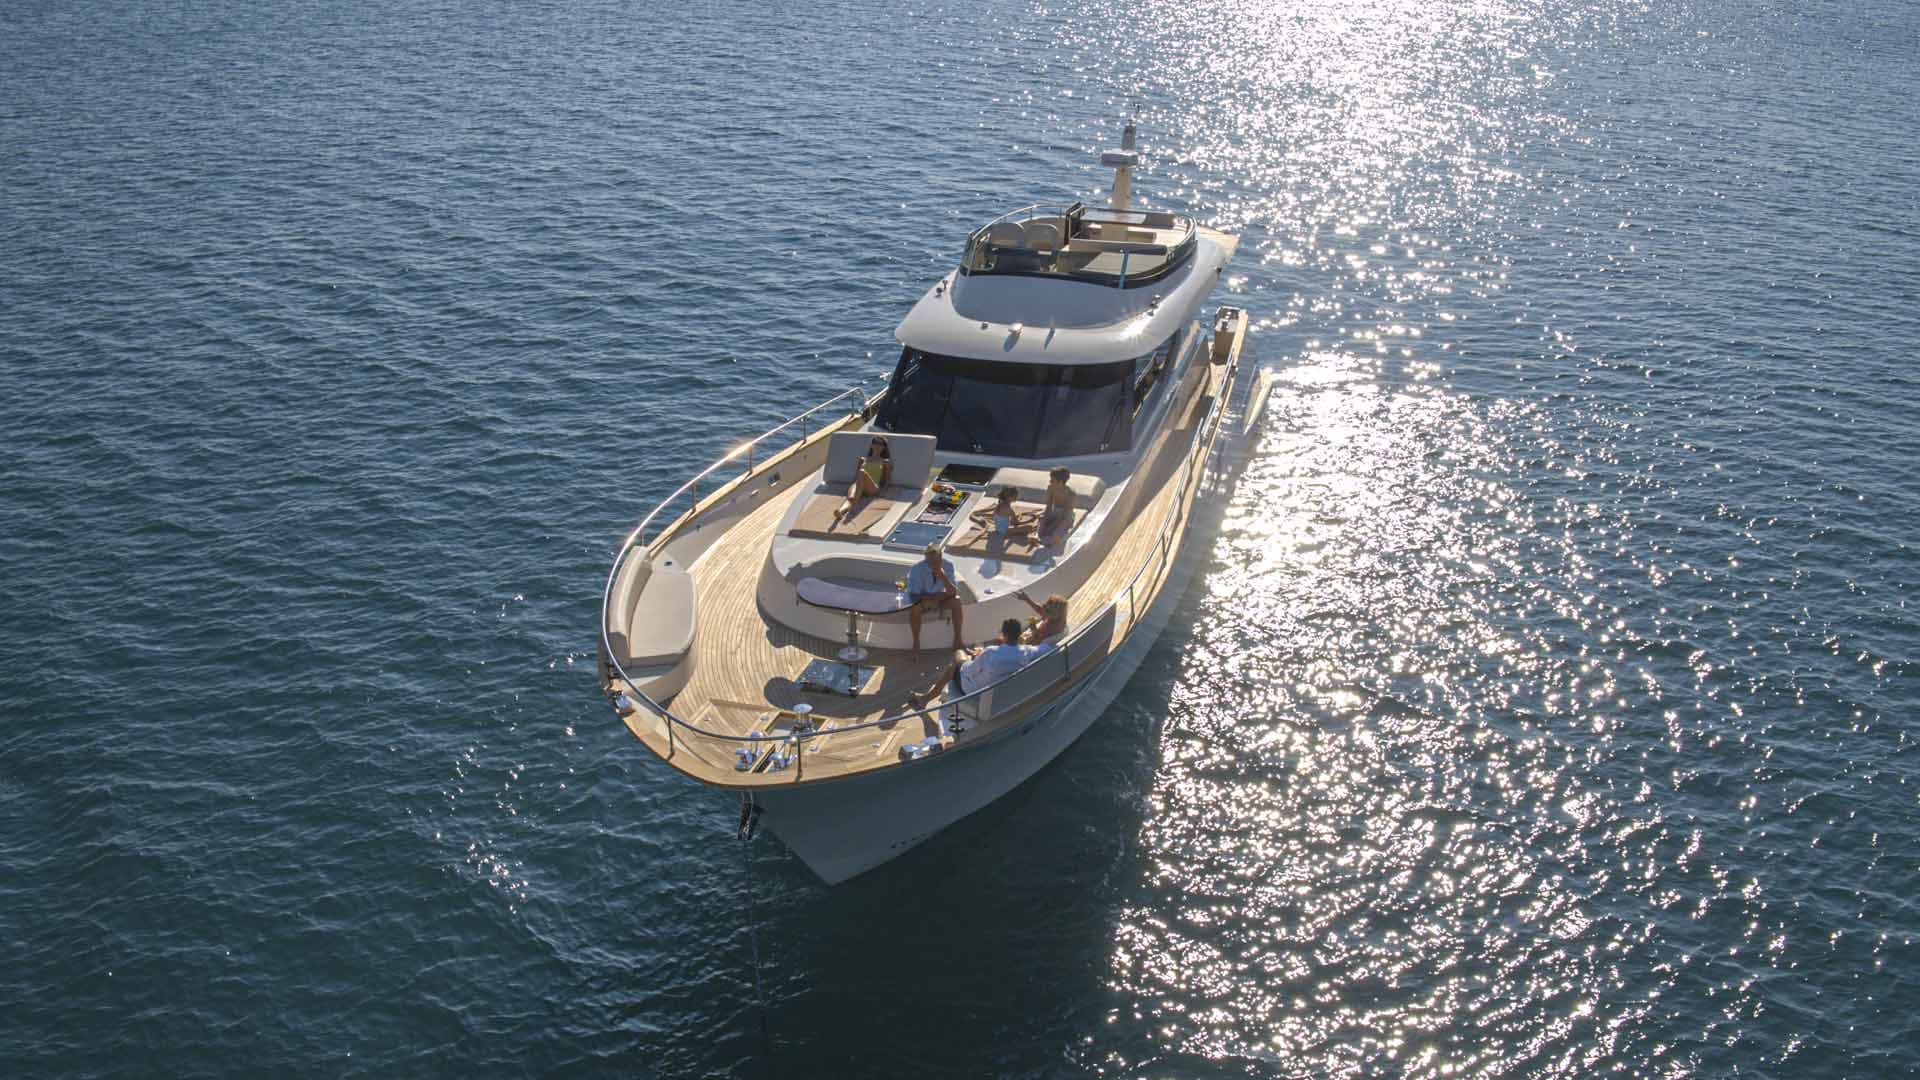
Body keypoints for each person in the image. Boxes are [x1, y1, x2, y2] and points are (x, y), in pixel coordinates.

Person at [908, 618, 1053, 709]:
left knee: (957, 658)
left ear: (1004, 634)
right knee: (965, 663)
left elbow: (968, 671)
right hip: (1001, 691)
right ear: (1019, 634)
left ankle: (925, 699)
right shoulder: (1027, 652)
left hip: (975, 691)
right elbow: (1047, 648)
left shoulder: (991, 652)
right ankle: (925, 698)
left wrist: (972, 658)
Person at [904, 543, 962, 651]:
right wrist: (933, 599)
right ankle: (916, 642)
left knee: (956, 602)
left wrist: (943, 577)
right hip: (922, 599)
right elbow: (915, 593)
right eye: (929, 561)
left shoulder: (948, 566)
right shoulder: (917, 569)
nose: (932, 564)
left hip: (939, 598)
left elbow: (953, 592)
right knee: (915, 608)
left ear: (940, 557)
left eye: (935, 561)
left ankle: (958, 639)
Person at [833, 435, 892, 522]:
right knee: (850, 498)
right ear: (871, 445)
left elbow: (887, 480)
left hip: (872, 487)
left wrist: (883, 492)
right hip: (859, 484)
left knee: (862, 472)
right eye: (875, 442)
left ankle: (853, 507)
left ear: (884, 447)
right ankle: (840, 512)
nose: (877, 445)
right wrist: (851, 486)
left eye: (880, 444)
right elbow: (856, 476)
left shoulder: (885, 462)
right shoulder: (862, 459)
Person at [1036, 466, 1073, 547]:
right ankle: (1038, 537)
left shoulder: (1070, 493)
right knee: (1042, 520)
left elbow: (1065, 512)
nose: (1050, 481)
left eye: (1052, 480)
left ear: (1060, 482)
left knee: (1059, 528)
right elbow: (1049, 505)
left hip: (1066, 514)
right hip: (1055, 511)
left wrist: (1053, 525)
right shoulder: (1051, 488)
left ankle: (1050, 541)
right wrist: (1046, 517)